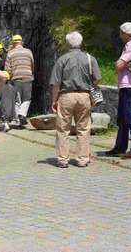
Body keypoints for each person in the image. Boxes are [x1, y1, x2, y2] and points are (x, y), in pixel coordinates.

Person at [49, 31, 102, 168]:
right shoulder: (90, 59)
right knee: (84, 128)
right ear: (81, 43)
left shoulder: (62, 59)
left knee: (62, 128)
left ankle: (62, 160)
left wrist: (54, 100)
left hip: (66, 96)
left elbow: (56, 83)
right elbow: (97, 80)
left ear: (67, 44)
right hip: (84, 95)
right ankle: (82, 159)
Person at [105, 22, 131, 159]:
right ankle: (120, 147)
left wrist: (122, 64)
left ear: (125, 34)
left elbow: (118, 65)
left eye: (121, 32)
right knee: (123, 118)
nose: (121, 35)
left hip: (130, 86)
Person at [4, 34, 34, 129]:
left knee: (17, 100)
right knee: (27, 98)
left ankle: (18, 122)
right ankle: (22, 114)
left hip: (16, 78)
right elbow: (32, 65)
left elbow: (7, 69)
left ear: (13, 43)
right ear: (22, 42)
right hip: (28, 77)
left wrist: (7, 79)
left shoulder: (10, 53)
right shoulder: (28, 52)